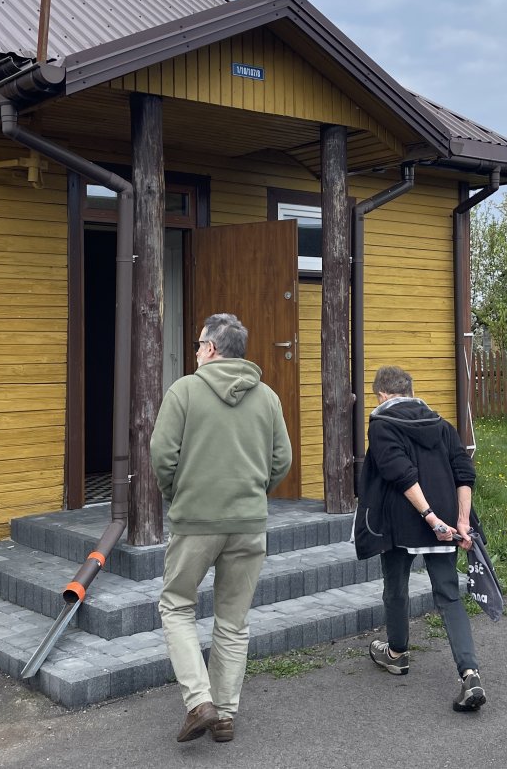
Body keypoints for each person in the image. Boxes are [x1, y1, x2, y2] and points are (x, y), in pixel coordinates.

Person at [151, 312, 292, 743]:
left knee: (176, 605)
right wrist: (253, 493)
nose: (195, 352)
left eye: (198, 345)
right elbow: (281, 460)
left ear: (211, 349)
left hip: (195, 521)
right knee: (233, 618)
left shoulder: (185, 391)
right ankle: (225, 714)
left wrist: (179, 494)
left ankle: (199, 702)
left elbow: (161, 456)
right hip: (249, 523)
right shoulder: (267, 397)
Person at [354, 365, 485, 712]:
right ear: (411, 391)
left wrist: (429, 517)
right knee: (449, 596)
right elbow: (464, 472)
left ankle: (396, 653)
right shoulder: (442, 425)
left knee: (395, 588)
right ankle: (470, 674)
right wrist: (459, 520)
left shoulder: (382, 426)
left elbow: (400, 473)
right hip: (446, 519)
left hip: (402, 523)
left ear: (382, 394)